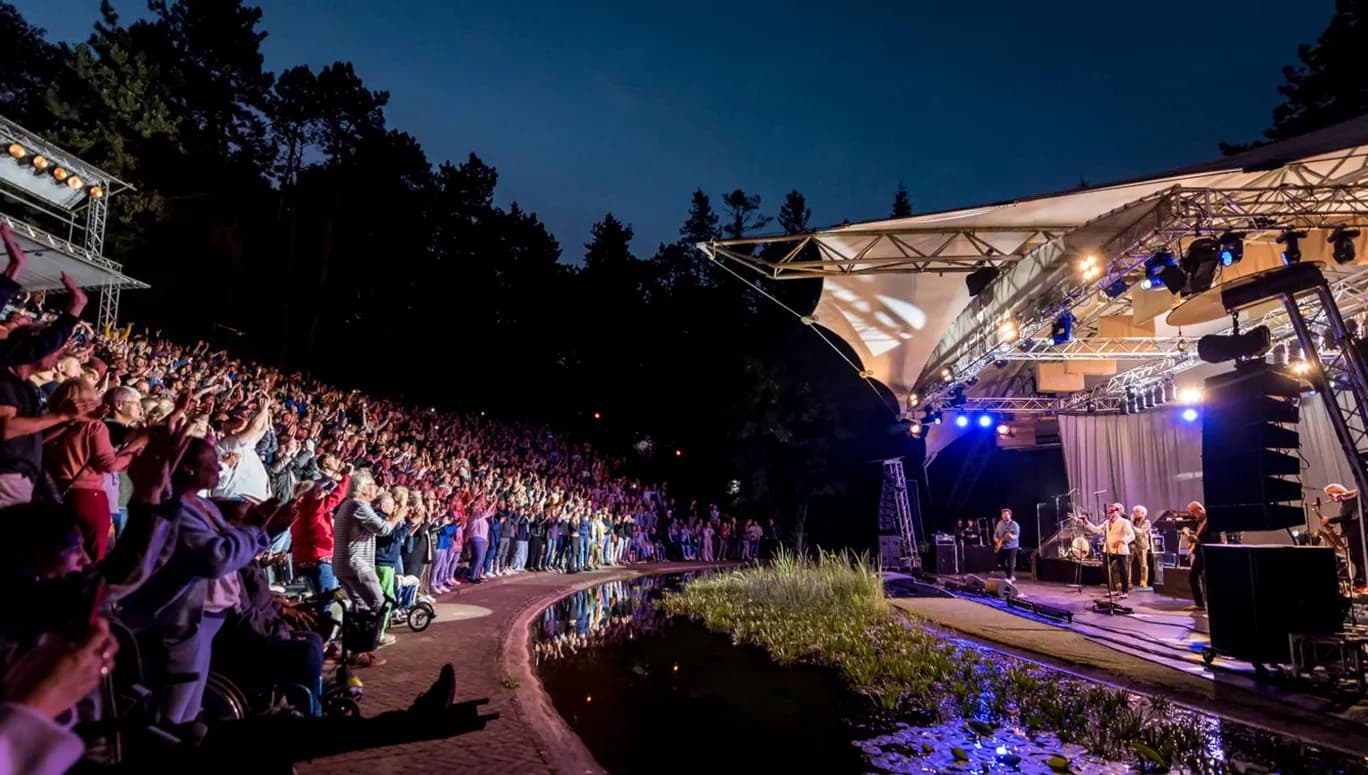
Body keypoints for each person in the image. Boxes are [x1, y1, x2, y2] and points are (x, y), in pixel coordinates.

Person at [332, 468, 401, 667]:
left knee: (359, 607)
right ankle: (367, 649)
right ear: (362, 488)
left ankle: (354, 650)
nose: (376, 487)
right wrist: (397, 515)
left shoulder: (349, 505)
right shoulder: (359, 505)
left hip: (344, 564)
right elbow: (384, 529)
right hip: (357, 565)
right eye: (372, 484)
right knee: (379, 605)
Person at [1319, 483, 1367, 594]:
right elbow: (1349, 520)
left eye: (1330, 495)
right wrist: (1342, 533)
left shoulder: (1352, 500)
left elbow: (1348, 517)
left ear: (1336, 493)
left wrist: (1329, 520)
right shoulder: (1346, 503)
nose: (1330, 499)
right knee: (1356, 558)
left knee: (1360, 558)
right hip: (1353, 534)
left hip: (1358, 534)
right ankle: (1360, 581)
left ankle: (1364, 582)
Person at [1080, 503, 1135, 598]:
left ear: (1118, 511)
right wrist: (1086, 522)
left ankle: (1124, 591)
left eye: (1112, 511)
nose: (1110, 513)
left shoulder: (1124, 522)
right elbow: (1096, 530)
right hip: (1108, 549)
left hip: (1120, 549)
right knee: (1105, 570)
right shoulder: (1107, 522)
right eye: (1109, 512)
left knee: (1122, 570)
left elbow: (1131, 535)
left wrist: (1122, 540)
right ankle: (1112, 590)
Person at [1187, 501, 1211, 610]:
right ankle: (1199, 603)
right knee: (1193, 576)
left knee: (1206, 578)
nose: (1192, 514)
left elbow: (1214, 538)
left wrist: (1197, 539)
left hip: (1208, 552)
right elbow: (1196, 534)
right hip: (1199, 553)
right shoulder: (1198, 522)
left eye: (1193, 511)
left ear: (1200, 509)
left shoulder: (1210, 520)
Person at [993, 508, 1019, 583]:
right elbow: (995, 533)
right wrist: (996, 539)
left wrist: (1011, 536)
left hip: (1012, 546)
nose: (1004, 516)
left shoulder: (1014, 524)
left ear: (1010, 515)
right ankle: (1010, 575)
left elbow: (1016, 536)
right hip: (1002, 546)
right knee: (1001, 562)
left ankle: (1009, 578)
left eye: (1006, 514)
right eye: (1003, 514)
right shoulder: (999, 523)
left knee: (1010, 562)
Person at [1130, 505, 1153, 589]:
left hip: (1142, 545)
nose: (1134, 513)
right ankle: (1128, 581)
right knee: (1128, 563)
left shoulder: (1146, 522)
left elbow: (1141, 532)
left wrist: (1132, 526)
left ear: (1143, 513)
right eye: (1134, 511)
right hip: (1132, 544)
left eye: (1136, 512)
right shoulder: (1132, 521)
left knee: (1143, 564)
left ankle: (1143, 581)